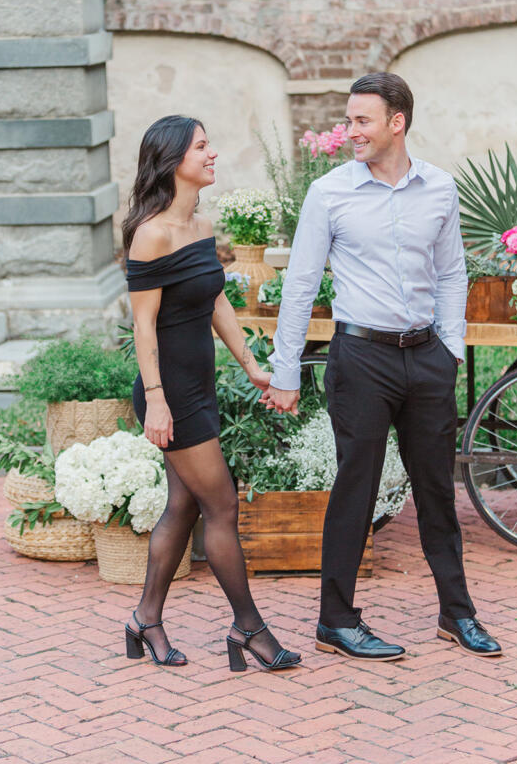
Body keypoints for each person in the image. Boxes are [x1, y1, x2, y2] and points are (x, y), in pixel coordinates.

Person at [262, 73, 502, 660]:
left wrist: (448, 350)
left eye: (362, 121)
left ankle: (457, 614)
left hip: (425, 358)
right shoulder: (330, 193)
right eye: (349, 121)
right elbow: (299, 285)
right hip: (361, 357)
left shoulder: (441, 189)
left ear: (398, 122)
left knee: (437, 493)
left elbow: (451, 275)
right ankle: (337, 622)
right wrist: (285, 370)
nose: (351, 133)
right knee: (356, 488)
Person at [123, 114, 301, 673]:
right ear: (174, 158)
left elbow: (216, 301)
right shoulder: (150, 232)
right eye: (202, 147)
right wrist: (155, 399)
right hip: (169, 392)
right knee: (221, 504)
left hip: (198, 387)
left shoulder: (199, 227)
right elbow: (143, 325)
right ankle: (249, 628)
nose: (213, 154)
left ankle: (144, 620)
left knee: (184, 503)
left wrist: (251, 364)